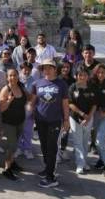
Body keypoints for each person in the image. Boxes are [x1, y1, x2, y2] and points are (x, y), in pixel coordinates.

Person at [30, 59, 70, 188]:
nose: (46, 70)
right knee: (44, 147)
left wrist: (66, 119)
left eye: (49, 67)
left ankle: (51, 178)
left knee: (52, 148)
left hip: (55, 120)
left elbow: (65, 103)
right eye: (44, 68)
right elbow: (33, 100)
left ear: (55, 69)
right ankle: (48, 168)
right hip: (40, 121)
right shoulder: (37, 83)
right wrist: (29, 110)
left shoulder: (62, 84)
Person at [0, 69, 27, 181]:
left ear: (18, 76)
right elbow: (1, 108)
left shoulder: (21, 87)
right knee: (12, 146)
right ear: (7, 77)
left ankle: (12, 162)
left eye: (14, 75)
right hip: (8, 123)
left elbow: (29, 97)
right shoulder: (6, 90)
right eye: (10, 75)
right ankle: (7, 169)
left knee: (15, 144)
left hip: (20, 122)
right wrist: (9, 101)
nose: (13, 77)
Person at [68, 68, 96, 175]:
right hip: (75, 118)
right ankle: (80, 164)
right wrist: (82, 114)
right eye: (80, 75)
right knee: (78, 141)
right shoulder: (72, 87)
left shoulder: (91, 87)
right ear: (76, 76)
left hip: (89, 118)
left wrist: (88, 117)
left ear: (87, 76)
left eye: (84, 75)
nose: (82, 77)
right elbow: (70, 103)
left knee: (85, 141)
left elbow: (94, 104)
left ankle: (84, 162)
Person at [16, 62, 36, 160]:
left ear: (31, 70)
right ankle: (19, 148)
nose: (26, 71)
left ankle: (27, 149)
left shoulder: (34, 81)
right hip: (17, 108)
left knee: (28, 130)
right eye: (24, 68)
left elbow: (34, 97)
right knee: (19, 130)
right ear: (21, 69)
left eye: (28, 69)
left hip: (29, 108)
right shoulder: (16, 79)